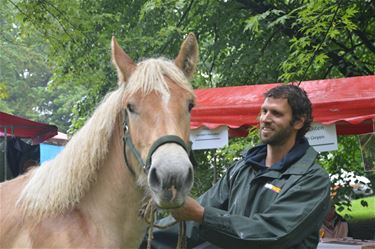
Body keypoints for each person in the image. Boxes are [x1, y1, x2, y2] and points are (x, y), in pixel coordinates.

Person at [140, 84, 331, 249]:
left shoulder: (311, 179)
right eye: (264, 111)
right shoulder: (243, 168)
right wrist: (141, 240)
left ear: (298, 121)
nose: (265, 118)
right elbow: (195, 219)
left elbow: (274, 233)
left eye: (276, 113)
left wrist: (202, 215)